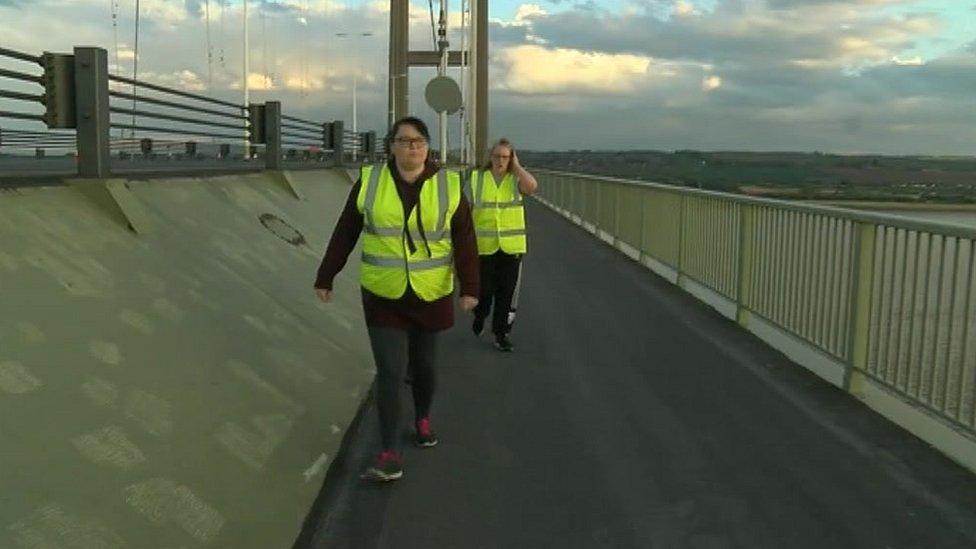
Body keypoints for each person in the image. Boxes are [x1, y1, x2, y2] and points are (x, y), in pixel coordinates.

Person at [314, 116, 479, 482]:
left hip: (431, 293)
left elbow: (465, 240)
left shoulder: (449, 186)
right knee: (390, 373)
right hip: (383, 294)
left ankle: (421, 418)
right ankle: (389, 452)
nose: (412, 147)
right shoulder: (370, 182)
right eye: (404, 141)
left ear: (427, 147)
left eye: (418, 141)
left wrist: (471, 287)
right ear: (392, 146)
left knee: (425, 368)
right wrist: (326, 276)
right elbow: (346, 231)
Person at [469, 138, 538, 352]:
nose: (501, 160)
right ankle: (480, 315)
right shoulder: (476, 178)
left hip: (511, 247)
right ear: (491, 157)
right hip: (484, 246)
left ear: (511, 158)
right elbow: (462, 209)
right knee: (484, 291)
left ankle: (501, 334)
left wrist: (517, 167)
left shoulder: (515, 179)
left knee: (506, 294)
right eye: (497, 156)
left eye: (505, 157)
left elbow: (532, 187)